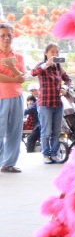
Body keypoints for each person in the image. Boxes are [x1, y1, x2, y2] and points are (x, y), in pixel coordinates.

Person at [31, 43, 72, 164]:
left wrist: (64, 88)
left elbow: (68, 79)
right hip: (45, 104)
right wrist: (47, 64)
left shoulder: (59, 67)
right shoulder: (42, 66)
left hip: (57, 104)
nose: (55, 54)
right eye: (52, 52)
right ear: (46, 53)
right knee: (46, 131)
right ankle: (45, 155)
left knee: (56, 131)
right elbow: (33, 73)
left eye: (57, 52)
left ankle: (54, 154)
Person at [0, 23, 26, 173]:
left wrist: (12, 68)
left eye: (9, 35)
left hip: (16, 96)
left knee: (15, 131)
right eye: (2, 35)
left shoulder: (19, 56)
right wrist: (15, 78)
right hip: (1, 96)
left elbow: (22, 78)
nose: (6, 38)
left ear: (13, 36)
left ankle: (8, 164)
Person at [23, 87, 40, 153]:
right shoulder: (39, 100)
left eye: (34, 91)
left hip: (39, 124)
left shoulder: (38, 101)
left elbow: (28, 110)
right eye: (32, 91)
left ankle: (30, 154)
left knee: (30, 139)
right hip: (39, 124)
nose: (33, 93)